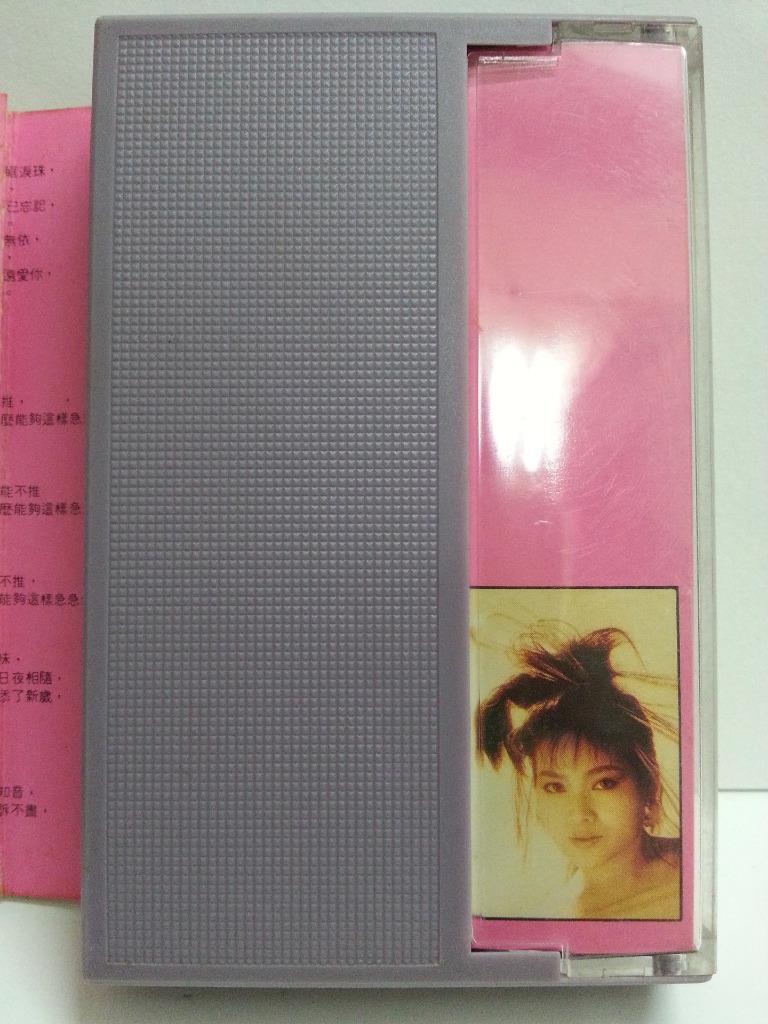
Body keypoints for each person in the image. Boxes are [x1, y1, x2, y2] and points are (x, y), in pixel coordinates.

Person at [475, 625, 680, 919]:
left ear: (649, 786)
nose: (579, 814)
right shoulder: (553, 918)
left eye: (604, 783)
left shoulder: (698, 869)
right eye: (555, 787)